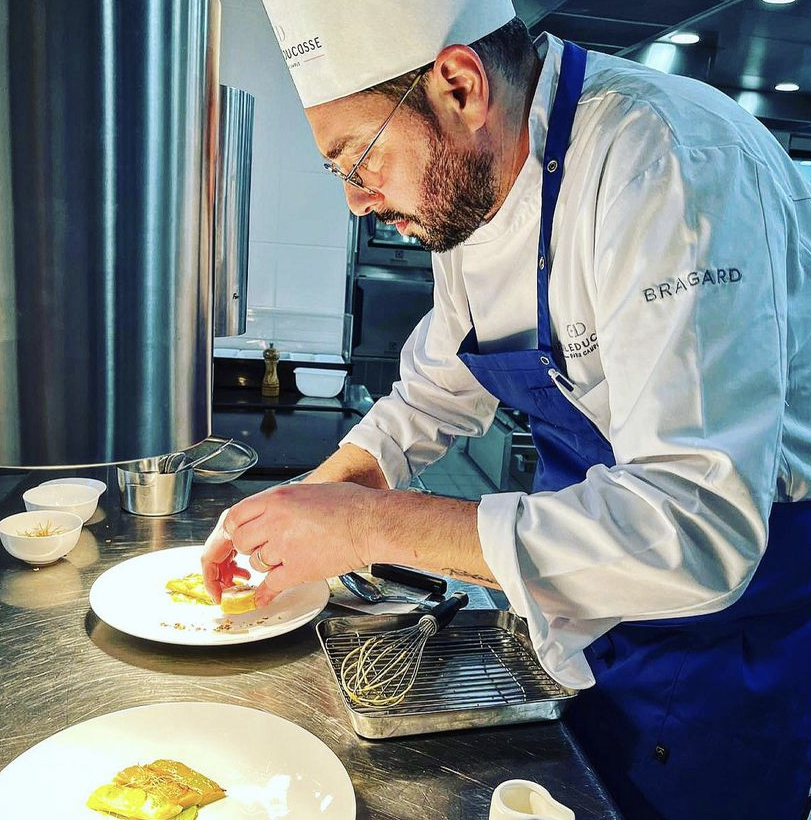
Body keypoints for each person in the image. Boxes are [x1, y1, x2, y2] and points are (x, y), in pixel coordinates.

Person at [201, 2, 811, 818]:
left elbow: (693, 526)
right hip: (571, 596)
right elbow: (436, 385)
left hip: (723, 630)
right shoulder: (478, 186)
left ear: (458, 85)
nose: (355, 199)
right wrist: (322, 492)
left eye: (359, 158)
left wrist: (370, 526)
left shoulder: (668, 161)